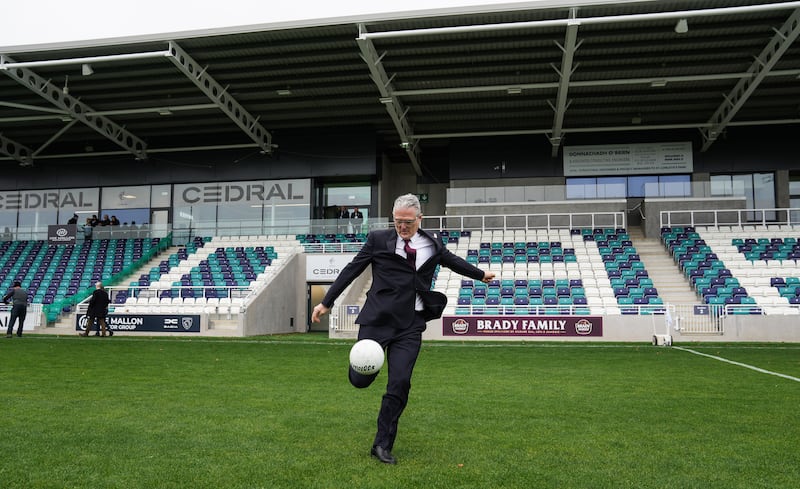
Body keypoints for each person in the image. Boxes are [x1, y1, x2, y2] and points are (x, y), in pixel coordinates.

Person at [311, 193, 495, 465]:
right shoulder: (377, 240)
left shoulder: (431, 243)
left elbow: (452, 260)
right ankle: (357, 368)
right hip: (377, 321)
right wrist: (326, 302)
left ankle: (382, 444)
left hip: (409, 325)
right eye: (398, 221)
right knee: (361, 380)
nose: (402, 227)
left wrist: (480, 275)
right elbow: (352, 269)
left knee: (400, 383)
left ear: (419, 219)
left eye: (408, 222)